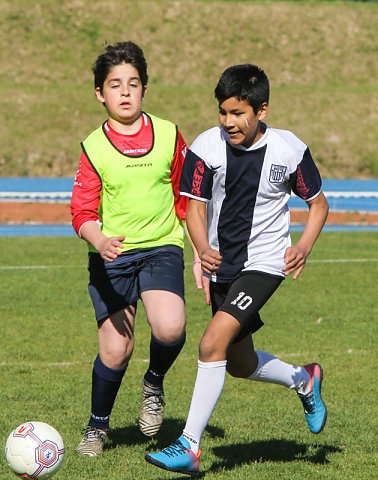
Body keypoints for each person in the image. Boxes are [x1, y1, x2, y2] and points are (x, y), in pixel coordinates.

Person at [145, 63, 329, 475]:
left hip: (264, 265)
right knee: (240, 363)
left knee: (211, 344)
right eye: (222, 112)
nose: (228, 122)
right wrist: (201, 248)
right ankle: (304, 379)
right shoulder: (206, 147)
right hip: (221, 268)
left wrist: (303, 245)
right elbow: (194, 208)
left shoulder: (289, 151)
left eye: (237, 113)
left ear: (262, 111)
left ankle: (189, 446)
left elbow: (318, 204)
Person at [70, 41, 201, 457]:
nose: (124, 92)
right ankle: (97, 427)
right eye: (114, 85)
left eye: (133, 83)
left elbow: (187, 199)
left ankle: (154, 384)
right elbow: (82, 210)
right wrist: (100, 239)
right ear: (100, 94)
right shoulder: (93, 145)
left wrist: (200, 251)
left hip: (161, 246)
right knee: (116, 348)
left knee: (170, 328)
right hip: (113, 255)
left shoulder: (169, 133)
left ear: (144, 89)